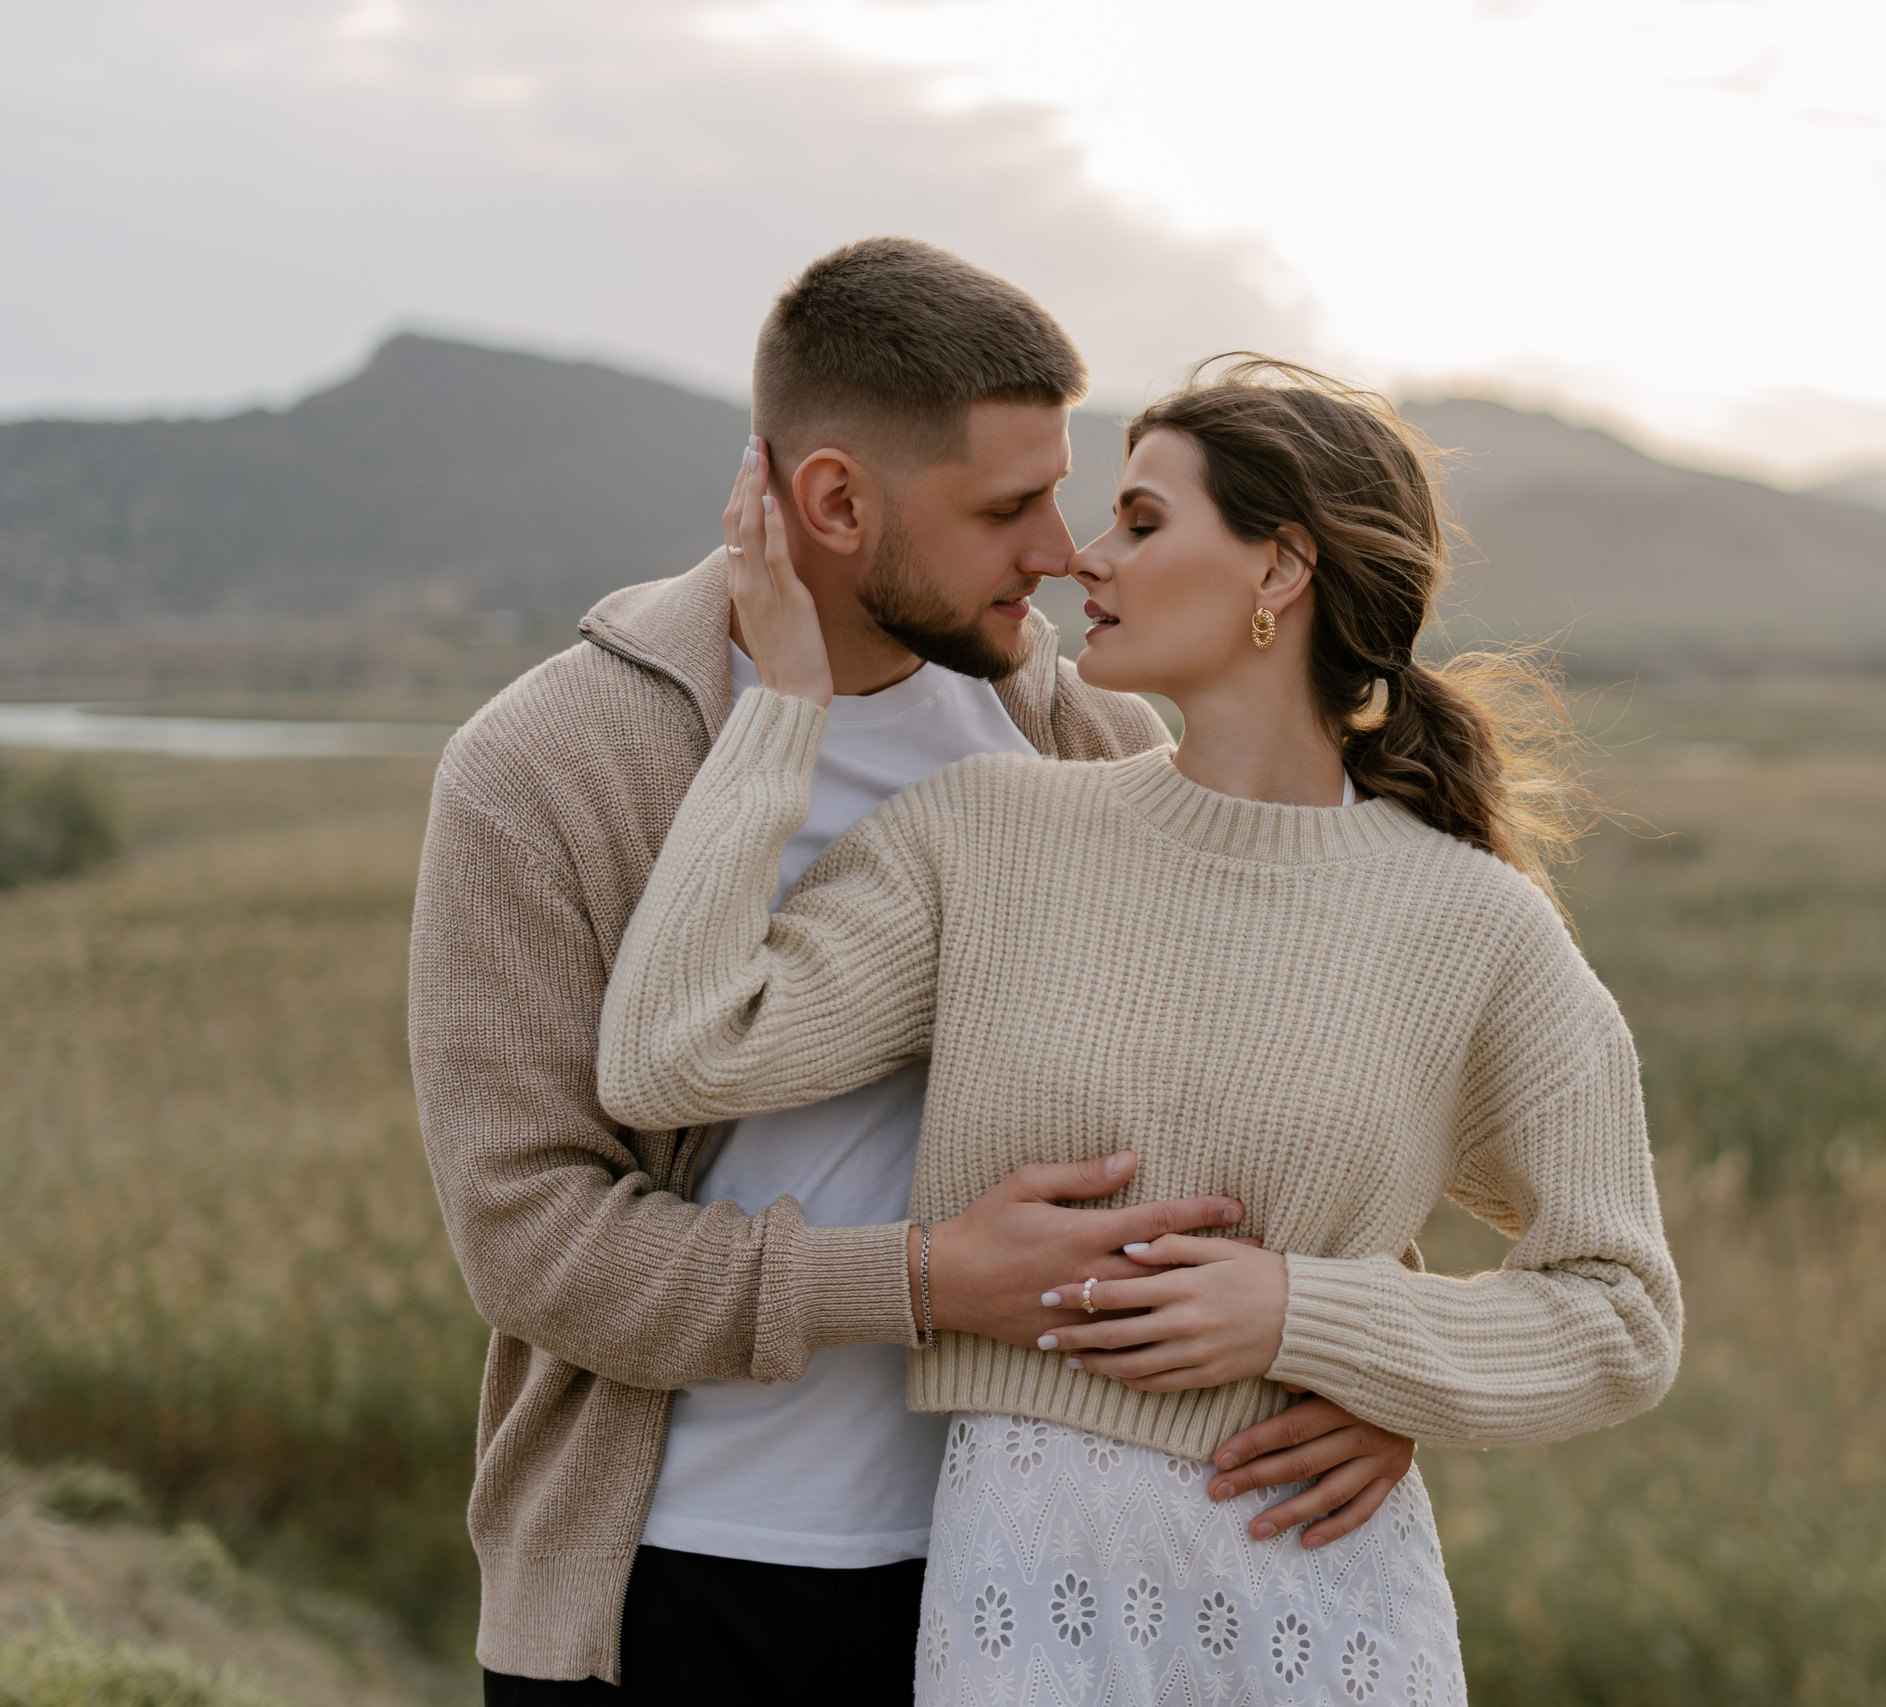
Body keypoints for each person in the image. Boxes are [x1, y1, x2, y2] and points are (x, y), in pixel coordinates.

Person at [410, 240, 1417, 1703]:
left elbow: (1287, 1091)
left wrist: (1374, 1356)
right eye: (1007, 509)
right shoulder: (547, 768)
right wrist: (921, 1282)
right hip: (675, 1588)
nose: (1061, 551)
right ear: (835, 503)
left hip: (1036, 1581)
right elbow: (532, 1241)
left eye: (1065, 495)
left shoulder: (1086, 739)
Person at [598, 356, 1685, 1705]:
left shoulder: (1474, 923)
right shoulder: (992, 837)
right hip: (1026, 1604)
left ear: (1279, 569)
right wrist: (781, 709)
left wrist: (1321, 1322)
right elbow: (675, 1052)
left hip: (1320, 1607)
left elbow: (1622, 1312)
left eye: (1143, 521)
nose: (1084, 559)